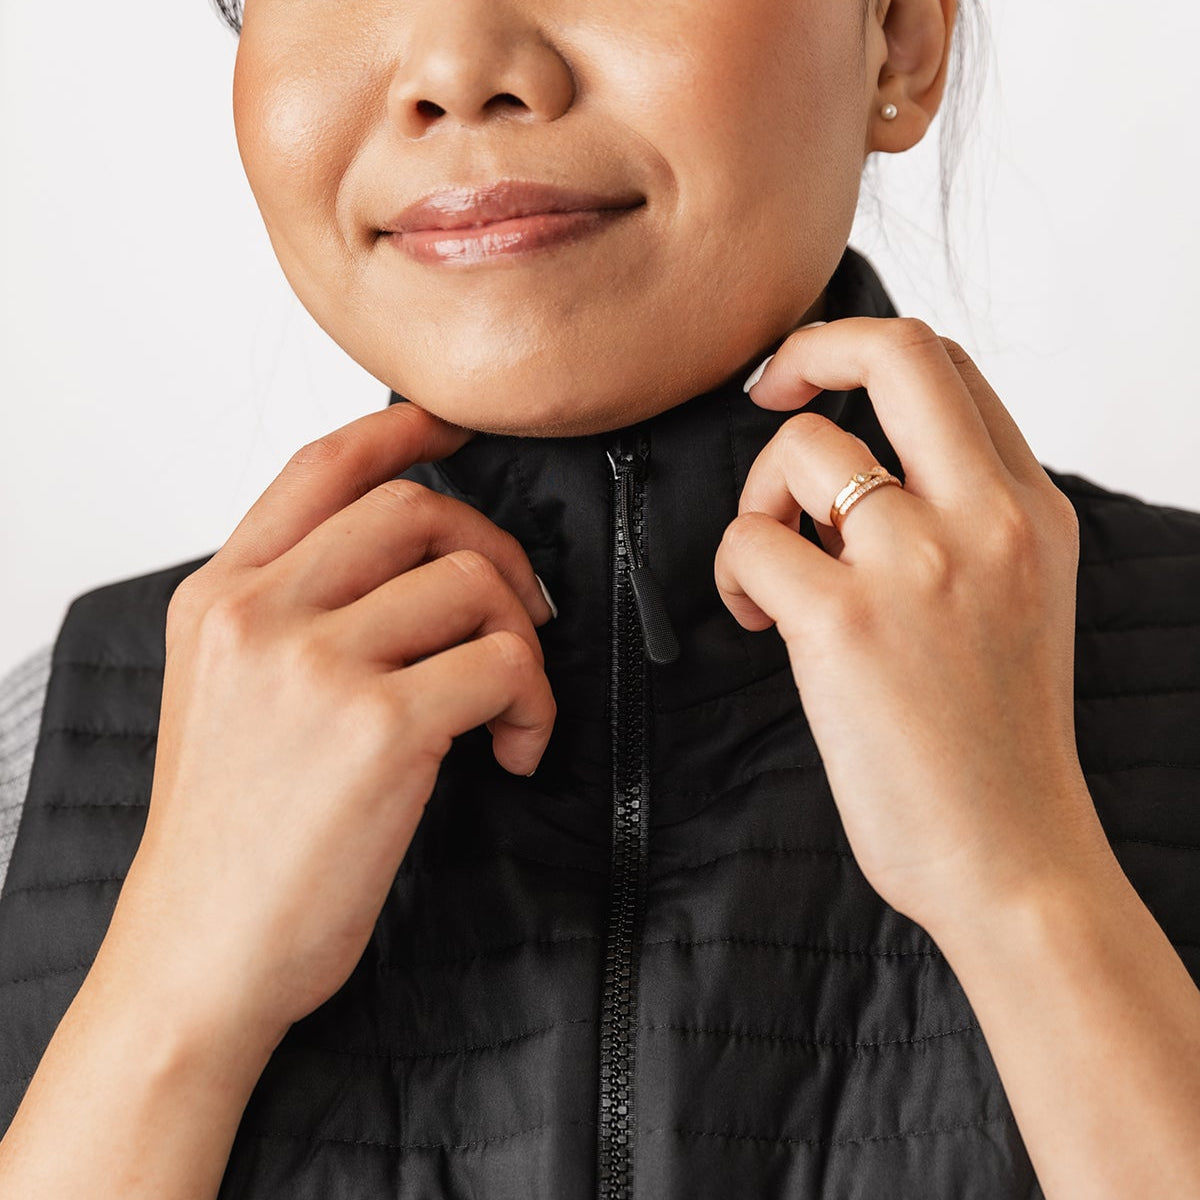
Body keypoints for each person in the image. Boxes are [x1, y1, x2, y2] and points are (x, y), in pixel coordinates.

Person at [1, 0, 1198, 1196]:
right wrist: (171, 998)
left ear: (898, 41)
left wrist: (1028, 893)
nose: (457, 66)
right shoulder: (42, 740)